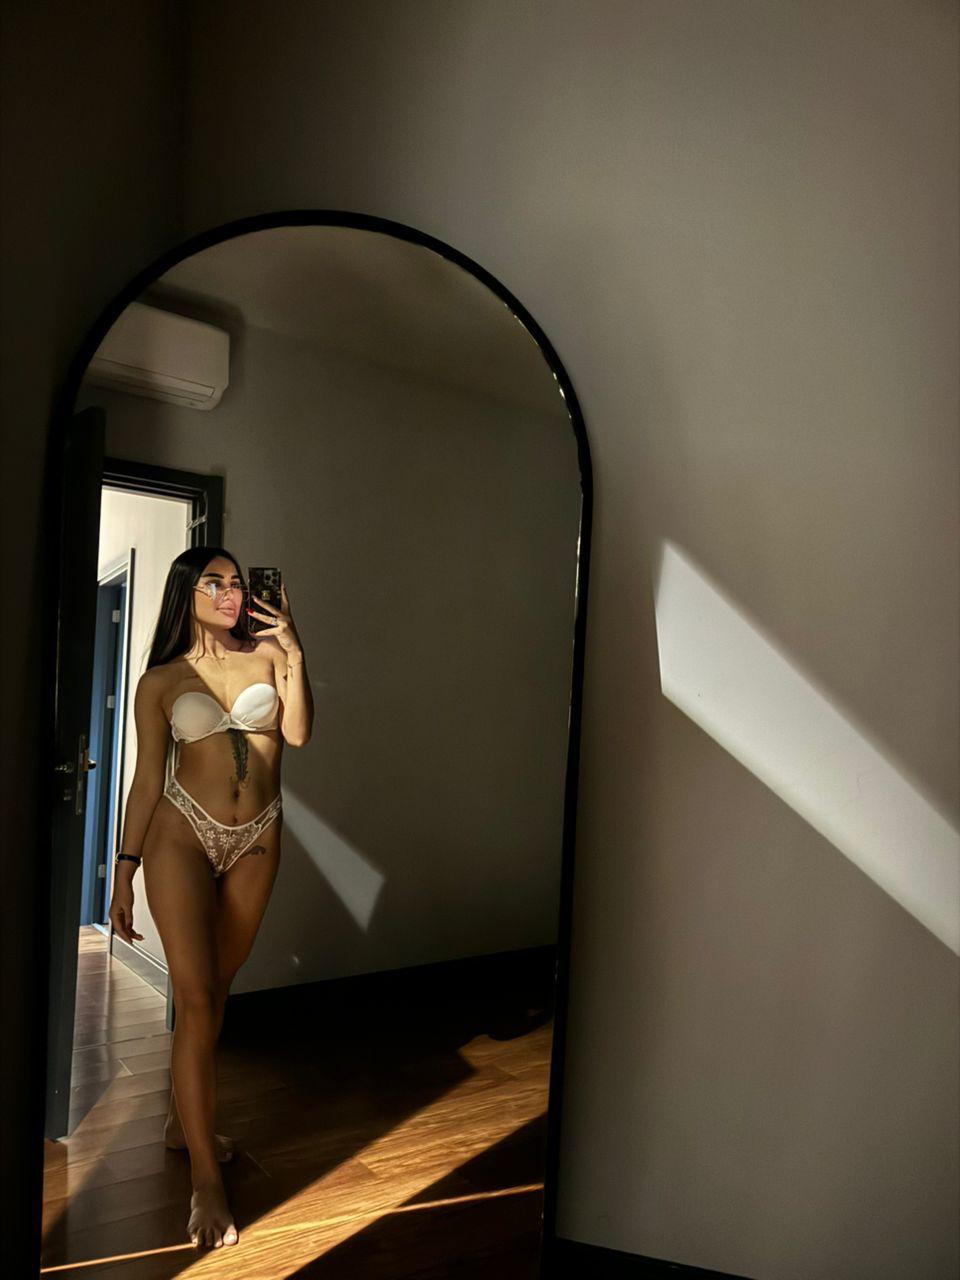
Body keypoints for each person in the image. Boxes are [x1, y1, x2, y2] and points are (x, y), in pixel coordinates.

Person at [107, 546, 313, 1249]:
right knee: (196, 999)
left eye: (237, 583)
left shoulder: (269, 656)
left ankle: (180, 1121)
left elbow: (297, 734)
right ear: (186, 594)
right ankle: (205, 1181)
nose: (230, 593)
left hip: (258, 834)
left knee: (219, 986)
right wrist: (124, 870)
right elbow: (145, 781)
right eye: (214, 583)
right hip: (181, 834)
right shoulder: (161, 681)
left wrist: (294, 649)